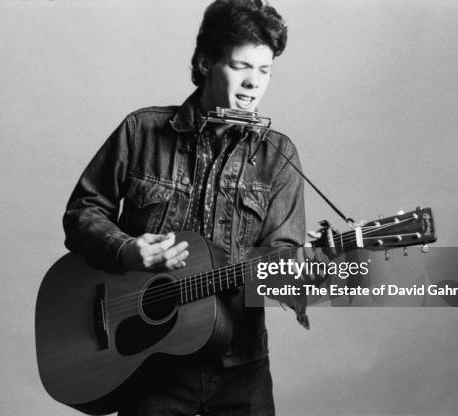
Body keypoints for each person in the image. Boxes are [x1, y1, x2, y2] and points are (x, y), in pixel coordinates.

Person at [63, 1, 321, 414]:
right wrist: (126, 249)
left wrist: (314, 266)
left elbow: (279, 276)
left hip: (241, 367)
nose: (254, 82)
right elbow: (81, 215)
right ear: (205, 62)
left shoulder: (279, 156)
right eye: (241, 67)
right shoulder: (141, 131)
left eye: (265, 70)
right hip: (150, 364)